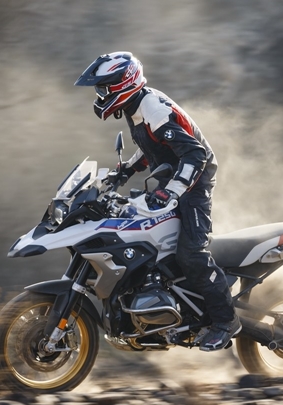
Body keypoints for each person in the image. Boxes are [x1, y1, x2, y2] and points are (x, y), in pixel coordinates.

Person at [75, 51, 240, 351]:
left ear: (123, 83)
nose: (101, 95)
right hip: (174, 177)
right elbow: (154, 147)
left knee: (192, 253)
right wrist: (125, 172)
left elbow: (195, 155)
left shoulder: (152, 107)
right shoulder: (135, 106)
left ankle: (225, 322)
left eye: (103, 88)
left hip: (195, 182)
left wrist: (173, 191)